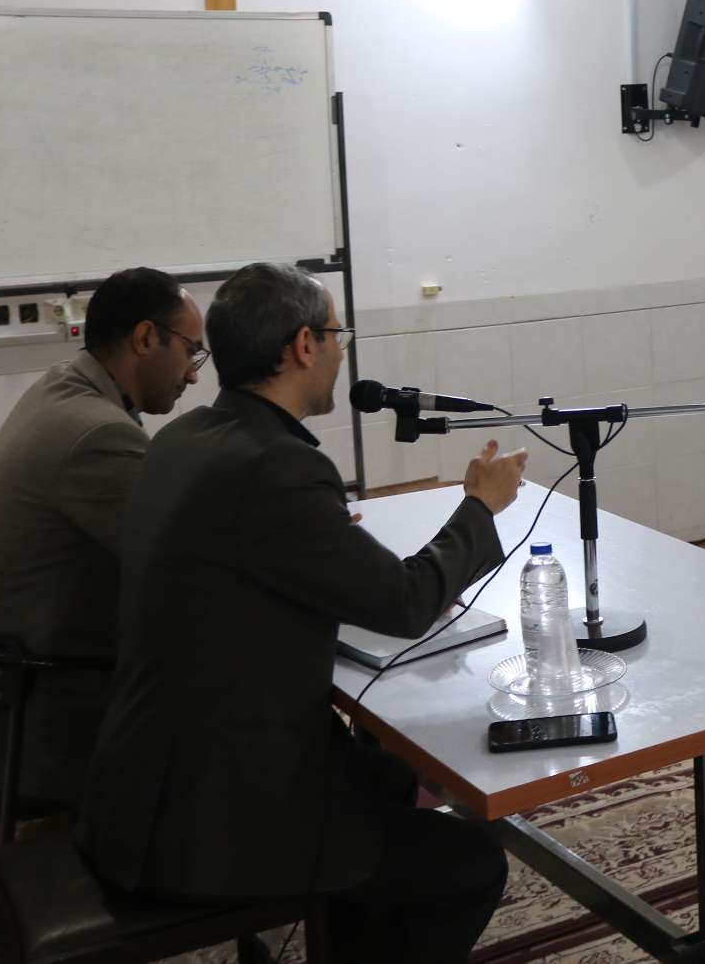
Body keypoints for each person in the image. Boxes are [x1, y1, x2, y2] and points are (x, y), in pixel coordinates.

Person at [78, 263, 526, 963]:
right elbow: (404, 601)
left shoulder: (186, 437)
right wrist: (480, 506)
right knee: (468, 864)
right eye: (338, 334)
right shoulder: (276, 464)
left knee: (387, 775)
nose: (343, 352)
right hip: (208, 814)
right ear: (304, 345)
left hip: (141, 783)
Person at [0, 266, 204, 803]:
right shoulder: (97, 432)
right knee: (245, 708)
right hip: (39, 728)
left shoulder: (62, 387)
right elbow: (192, 568)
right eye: (191, 352)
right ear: (146, 338)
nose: (194, 375)